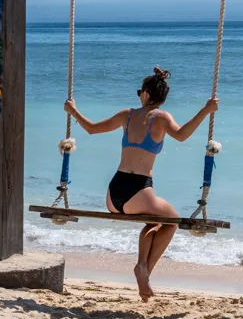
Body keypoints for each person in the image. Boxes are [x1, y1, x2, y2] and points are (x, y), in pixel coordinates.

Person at [64, 67, 217, 301]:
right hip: (139, 190)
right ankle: (144, 269)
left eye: (139, 92)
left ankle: (143, 269)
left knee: (154, 222)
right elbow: (182, 135)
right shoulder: (162, 118)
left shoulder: (126, 115)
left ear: (145, 94)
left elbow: (92, 129)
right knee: (172, 222)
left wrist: (73, 110)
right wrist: (205, 110)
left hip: (113, 194)